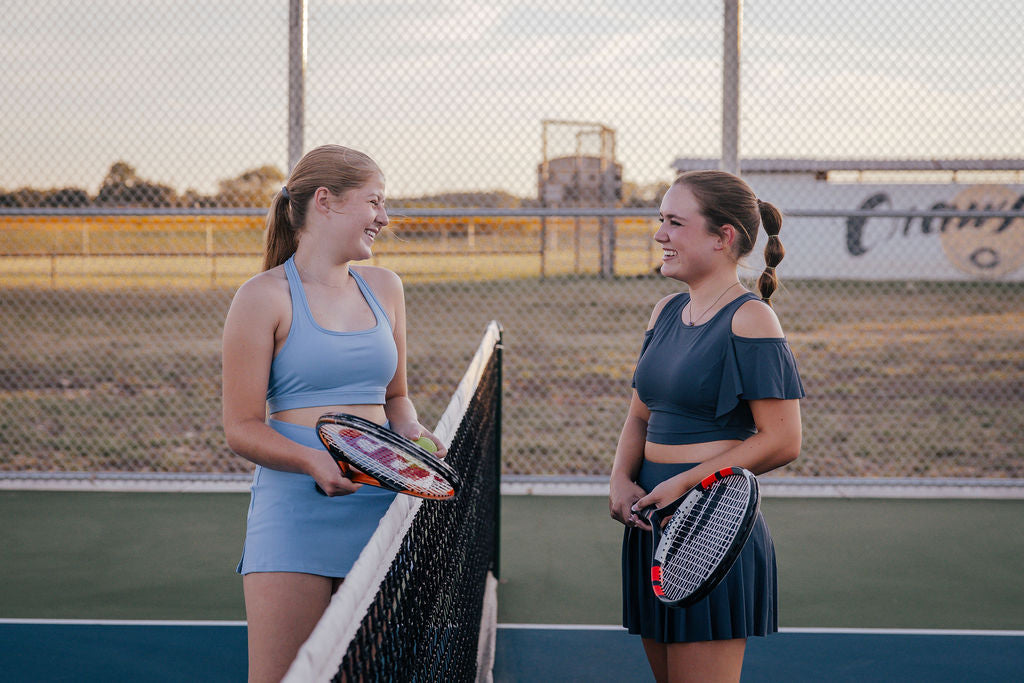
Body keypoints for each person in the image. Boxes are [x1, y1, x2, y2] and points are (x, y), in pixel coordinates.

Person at [221, 144, 445, 683]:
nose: (384, 218)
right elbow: (241, 427)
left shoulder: (385, 288)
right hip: (296, 510)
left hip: (378, 507)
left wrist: (409, 431)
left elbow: (395, 396)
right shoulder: (262, 297)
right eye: (374, 202)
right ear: (326, 201)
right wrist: (314, 464)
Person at [609, 170, 805, 683]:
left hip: (708, 530)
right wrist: (620, 480)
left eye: (675, 223)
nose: (660, 236)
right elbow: (639, 414)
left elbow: (783, 440)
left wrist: (686, 483)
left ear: (724, 238)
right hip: (650, 524)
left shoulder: (752, 319)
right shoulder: (665, 312)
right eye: (661, 221)